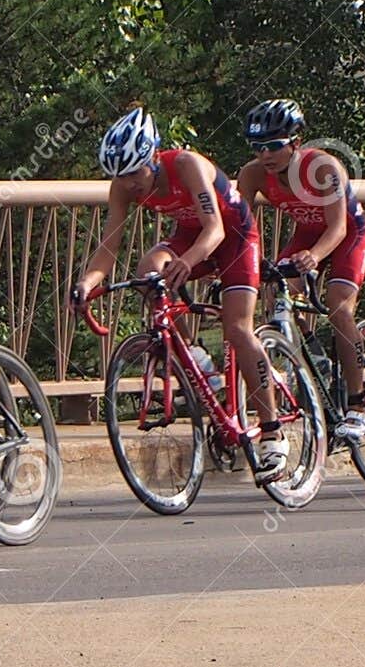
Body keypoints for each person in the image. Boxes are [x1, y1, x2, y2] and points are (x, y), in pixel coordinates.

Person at [70, 107, 288, 483]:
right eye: (120, 177)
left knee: (237, 329)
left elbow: (215, 229)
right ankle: (197, 357)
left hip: (232, 237)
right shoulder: (122, 186)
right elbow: (109, 247)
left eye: (135, 172)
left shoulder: (187, 165)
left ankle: (272, 431)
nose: (130, 184)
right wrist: (87, 283)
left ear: (154, 157)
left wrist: (186, 263)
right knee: (148, 269)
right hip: (191, 236)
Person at [235, 99, 365, 445]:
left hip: (345, 234)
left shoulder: (324, 167)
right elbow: (239, 228)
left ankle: (359, 407)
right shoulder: (252, 174)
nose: (265, 155)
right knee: (278, 295)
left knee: (339, 307)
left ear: (296, 143)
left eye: (273, 146)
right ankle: (311, 355)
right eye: (258, 147)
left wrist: (314, 256)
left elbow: (338, 228)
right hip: (306, 234)